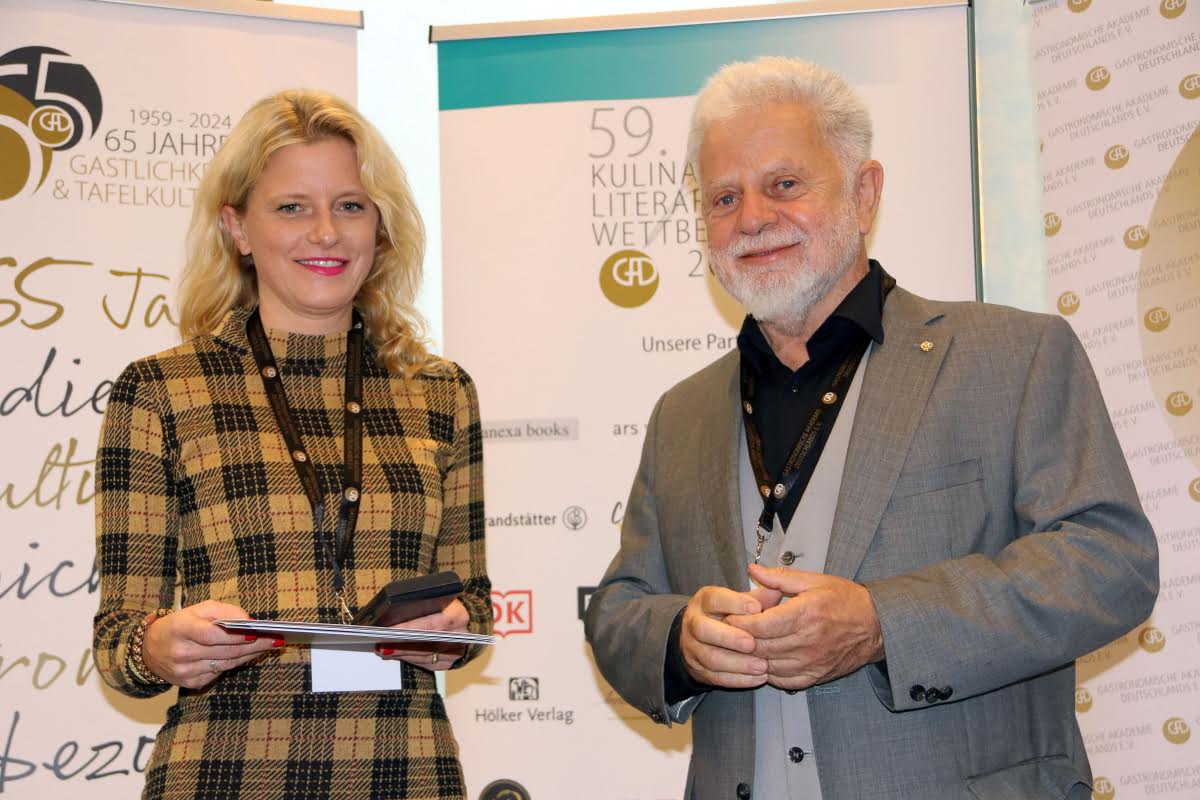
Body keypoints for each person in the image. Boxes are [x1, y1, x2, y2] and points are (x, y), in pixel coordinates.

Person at [584, 57, 1158, 800]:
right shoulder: (681, 414)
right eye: (724, 197)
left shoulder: (1015, 356)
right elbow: (620, 606)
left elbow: (1110, 563)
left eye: (784, 185)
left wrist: (886, 622)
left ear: (865, 193)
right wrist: (679, 641)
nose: (751, 218)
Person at [93, 89, 491, 799]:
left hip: (406, 771)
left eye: (350, 205)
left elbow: (476, 604)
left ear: (381, 224)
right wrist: (157, 647)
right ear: (237, 227)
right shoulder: (161, 391)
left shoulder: (440, 392)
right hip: (223, 772)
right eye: (292, 207)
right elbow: (118, 643)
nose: (326, 232)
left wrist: (455, 629)